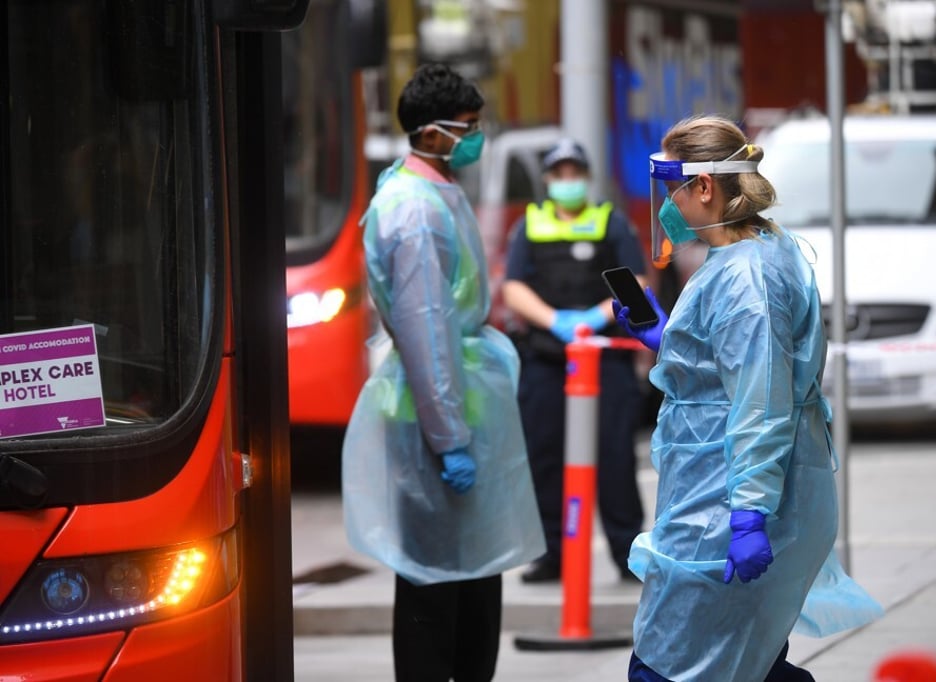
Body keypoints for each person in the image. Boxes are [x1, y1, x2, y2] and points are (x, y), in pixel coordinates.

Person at [613, 115, 883, 681]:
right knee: (745, 662)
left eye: (671, 189)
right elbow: (731, 368)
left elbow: (760, 404)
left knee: (668, 667)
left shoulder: (747, 279)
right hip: (714, 491)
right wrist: (669, 342)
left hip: (724, 504)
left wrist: (748, 515)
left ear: (704, 187)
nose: (667, 205)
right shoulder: (750, 255)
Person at [341, 63, 545, 682]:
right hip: (436, 419)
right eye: (469, 128)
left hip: (458, 403)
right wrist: (450, 439)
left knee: (473, 577)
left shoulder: (431, 193)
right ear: (432, 135)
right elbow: (429, 334)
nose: (476, 139)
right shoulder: (415, 214)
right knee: (436, 587)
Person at [501, 138, 646, 583]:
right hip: (547, 361)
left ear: (585, 176)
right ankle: (551, 555)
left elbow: (635, 282)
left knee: (615, 457)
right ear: (547, 180)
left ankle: (627, 554)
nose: (567, 181)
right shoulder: (530, 225)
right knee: (545, 458)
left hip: (605, 361)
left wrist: (594, 319)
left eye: (574, 173)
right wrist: (555, 321)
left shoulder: (610, 224)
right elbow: (513, 287)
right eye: (559, 174)